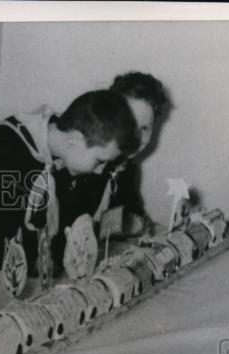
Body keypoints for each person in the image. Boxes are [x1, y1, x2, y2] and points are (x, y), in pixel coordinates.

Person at [0, 90, 141, 295]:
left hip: (19, 283)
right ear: (75, 137)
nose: (100, 171)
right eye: (100, 161)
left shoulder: (66, 159)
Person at [65, 72, 170, 237]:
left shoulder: (128, 166)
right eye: (129, 124)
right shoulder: (80, 157)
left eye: (144, 128)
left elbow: (131, 212)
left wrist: (135, 222)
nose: (135, 138)